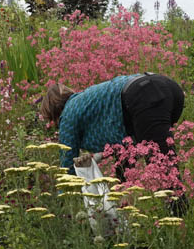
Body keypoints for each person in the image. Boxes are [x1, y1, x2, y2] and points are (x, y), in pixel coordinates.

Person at [44, 73, 185, 174]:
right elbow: (122, 145)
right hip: (167, 87)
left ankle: (178, 212)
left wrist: (64, 201)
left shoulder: (67, 115)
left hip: (143, 95)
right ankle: (127, 211)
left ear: (53, 112)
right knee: (124, 171)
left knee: (162, 169)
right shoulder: (82, 102)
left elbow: (68, 167)